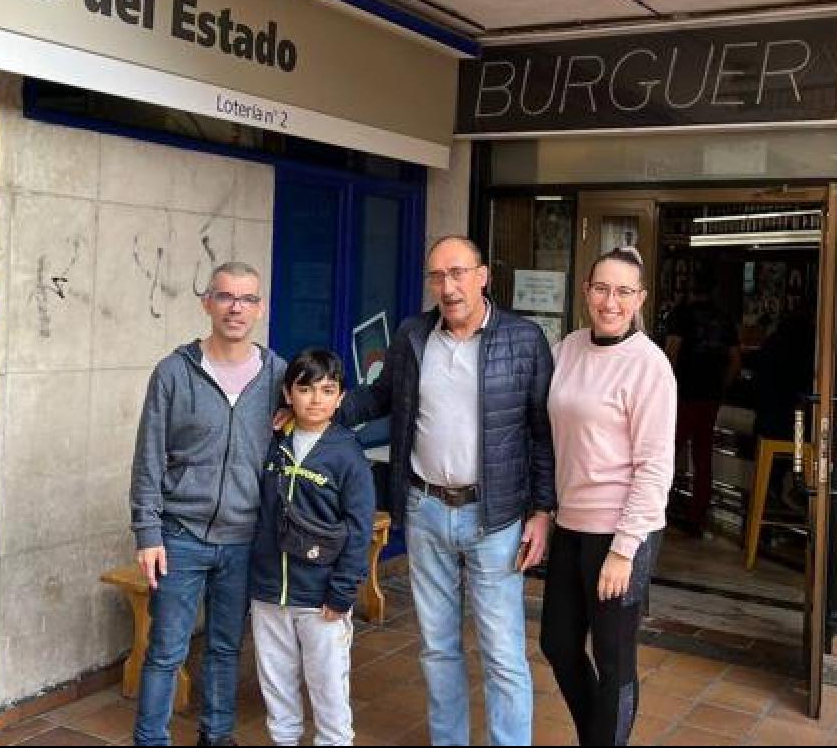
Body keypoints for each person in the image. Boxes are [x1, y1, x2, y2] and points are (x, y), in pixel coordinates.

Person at [337, 235, 555, 746]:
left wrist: (542, 510)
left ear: (482, 276)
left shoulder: (523, 339)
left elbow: (544, 433)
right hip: (426, 508)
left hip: (495, 517)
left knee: (502, 652)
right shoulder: (414, 334)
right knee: (437, 648)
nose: (448, 286)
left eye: (458, 273)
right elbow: (382, 397)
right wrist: (316, 406)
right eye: (437, 276)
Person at [129, 261, 287, 747]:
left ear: (259, 308)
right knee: (166, 651)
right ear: (207, 303)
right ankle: (150, 739)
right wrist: (148, 533)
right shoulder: (175, 372)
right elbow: (149, 456)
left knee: (224, 648)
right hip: (181, 536)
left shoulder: (279, 374)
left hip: (245, 538)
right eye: (225, 297)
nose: (236, 308)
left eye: (247, 299)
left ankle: (216, 735)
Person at [542, 246, 676, 746]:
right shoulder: (569, 348)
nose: (610, 301)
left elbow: (654, 467)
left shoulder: (650, 366)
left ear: (639, 299)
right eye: (601, 288)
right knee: (557, 642)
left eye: (623, 291)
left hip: (622, 533)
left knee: (614, 659)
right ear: (586, 292)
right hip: (571, 523)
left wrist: (624, 550)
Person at [249, 349, 375, 747]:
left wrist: (342, 592)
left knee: (329, 693)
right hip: (269, 591)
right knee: (277, 689)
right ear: (288, 393)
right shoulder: (274, 441)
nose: (315, 399)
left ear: (340, 398)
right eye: (304, 389)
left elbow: (359, 529)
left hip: (320, 597)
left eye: (327, 390)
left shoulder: (347, 454)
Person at [663, 269, 740, 537]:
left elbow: (671, 351)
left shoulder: (681, 315)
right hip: (710, 397)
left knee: (667, 453)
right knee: (702, 458)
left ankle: (659, 509)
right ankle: (697, 516)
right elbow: (735, 359)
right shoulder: (724, 318)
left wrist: (664, 387)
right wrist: (721, 388)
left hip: (683, 394)